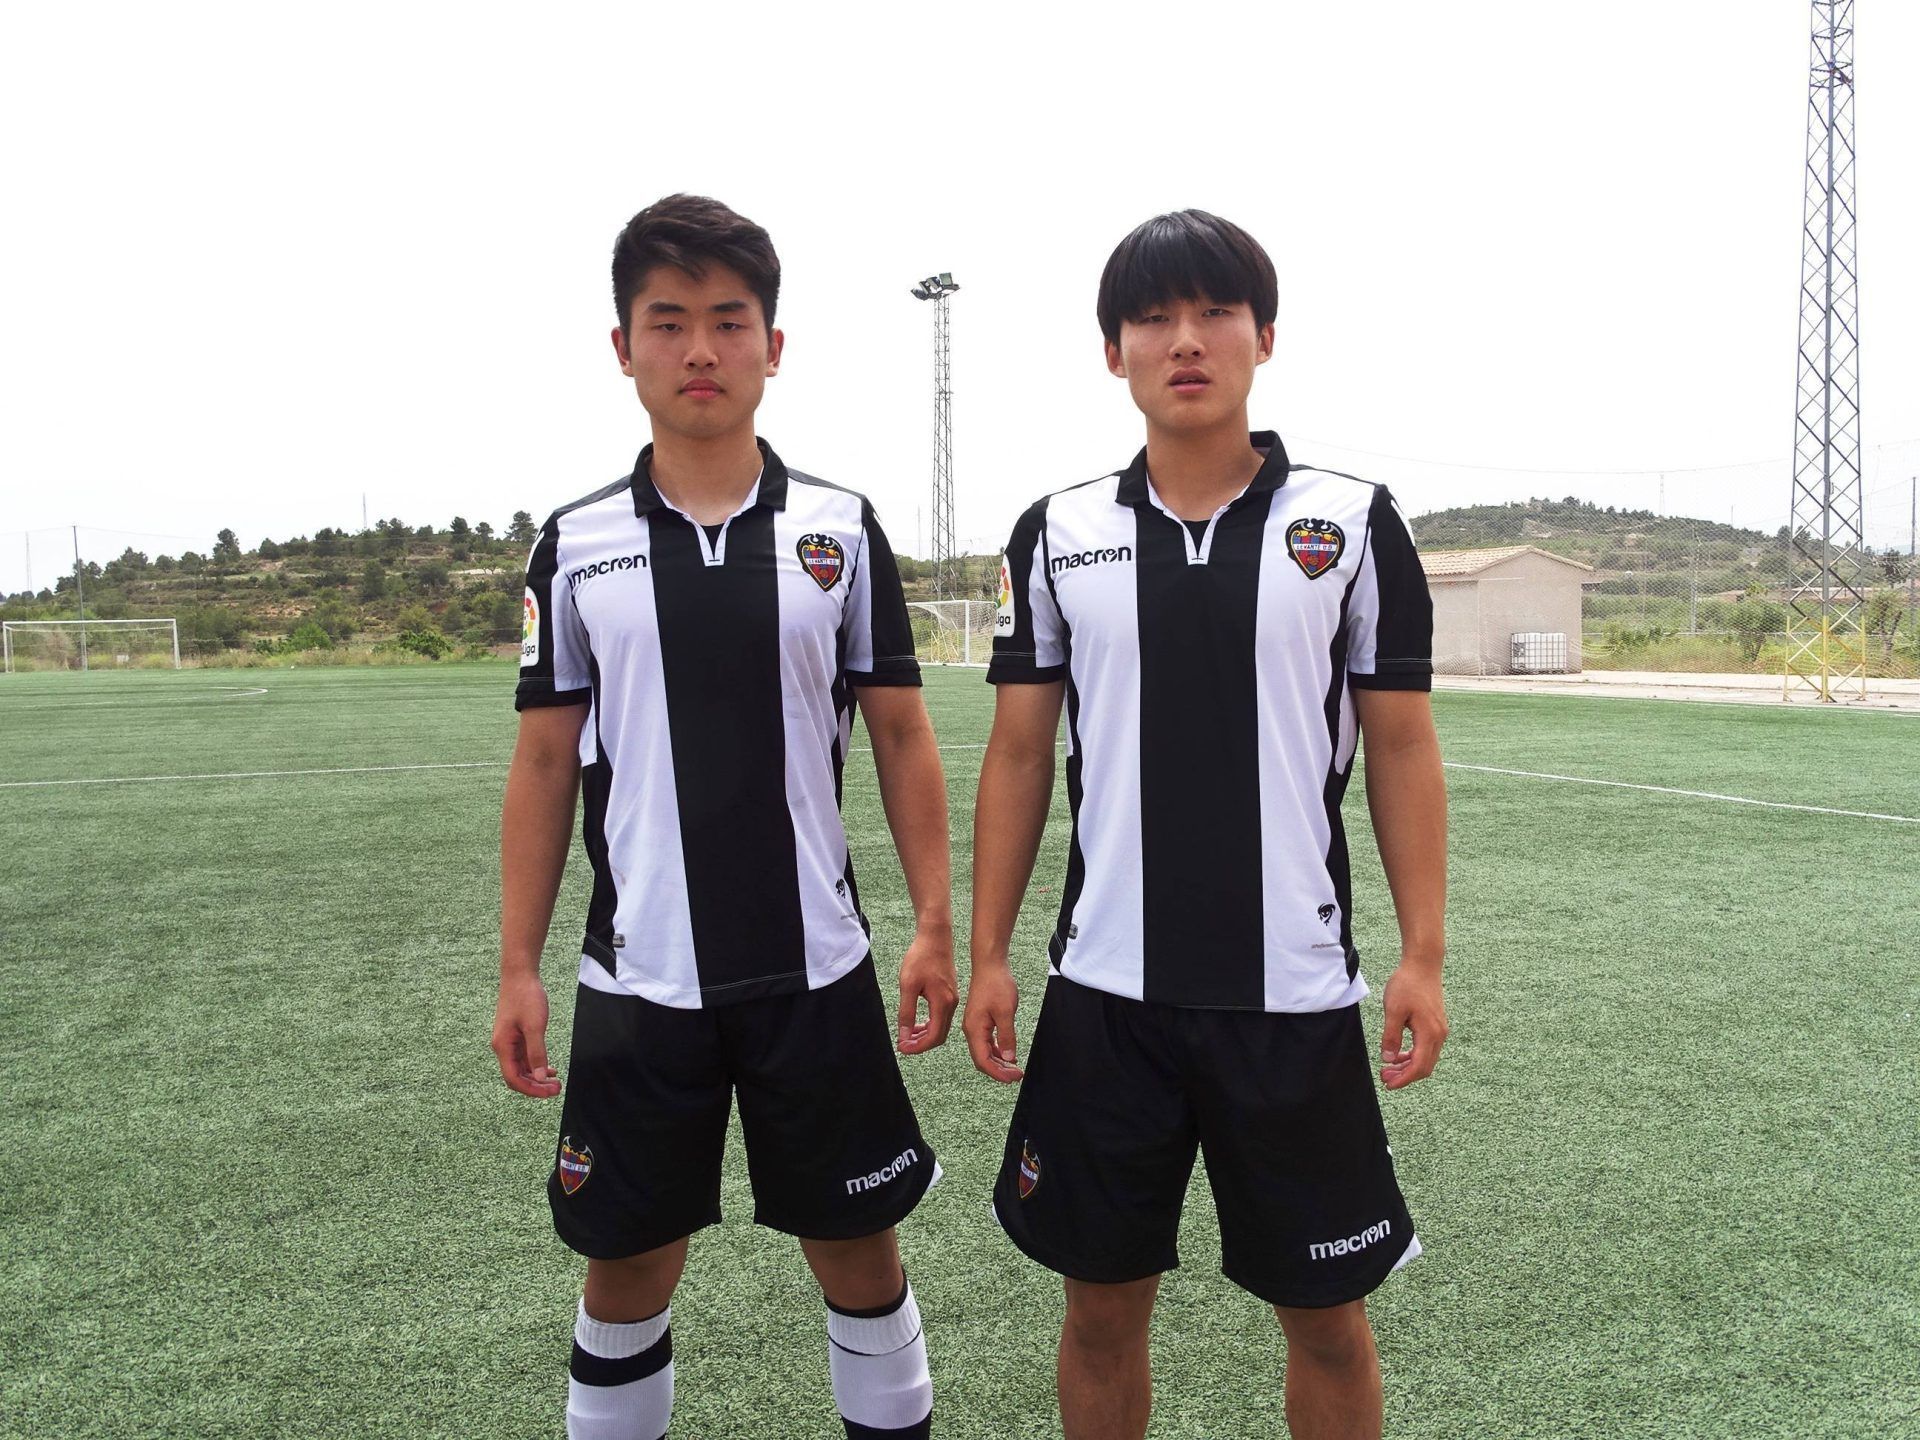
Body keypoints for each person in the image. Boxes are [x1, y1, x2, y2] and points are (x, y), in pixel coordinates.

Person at [962, 208, 1448, 1440]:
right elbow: (1020, 752)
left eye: (1214, 312)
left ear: (1264, 337)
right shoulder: (1060, 533)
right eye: (1153, 318)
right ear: (1113, 351)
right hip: (1105, 997)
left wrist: (1423, 954)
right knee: (1099, 1312)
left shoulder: (1349, 521)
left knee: (1329, 1318)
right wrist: (986, 954)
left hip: (1291, 997)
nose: (1186, 340)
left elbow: (1398, 742)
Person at [492, 193, 955, 1440]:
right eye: (670, 321)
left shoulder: (840, 531)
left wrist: (936, 927)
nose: (701, 349)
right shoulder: (576, 543)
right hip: (643, 981)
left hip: (817, 968)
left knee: (860, 1253)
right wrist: (517, 967)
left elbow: (904, 733)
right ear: (624, 347)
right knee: (626, 1271)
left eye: (728, 321)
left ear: (772, 346)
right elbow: (543, 767)